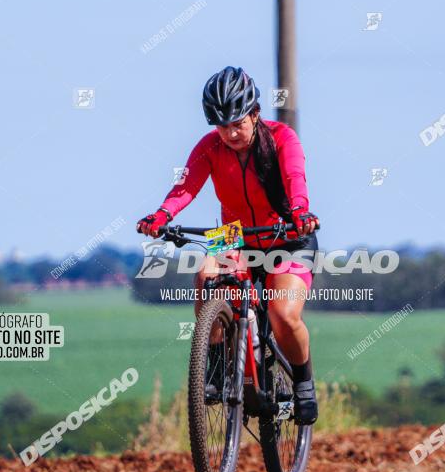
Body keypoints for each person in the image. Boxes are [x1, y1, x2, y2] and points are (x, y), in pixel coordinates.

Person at [137, 66, 320, 424]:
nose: (230, 133)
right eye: (221, 126)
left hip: (286, 232)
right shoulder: (210, 148)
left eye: (237, 123)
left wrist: (300, 211)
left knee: (283, 315)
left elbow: (295, 177)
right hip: (234, 233)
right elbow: (186, 187)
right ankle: (219, 367)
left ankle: (303, 383)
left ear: (254, 113)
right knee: (207, 281)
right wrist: (161, 215)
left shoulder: (282, 138)